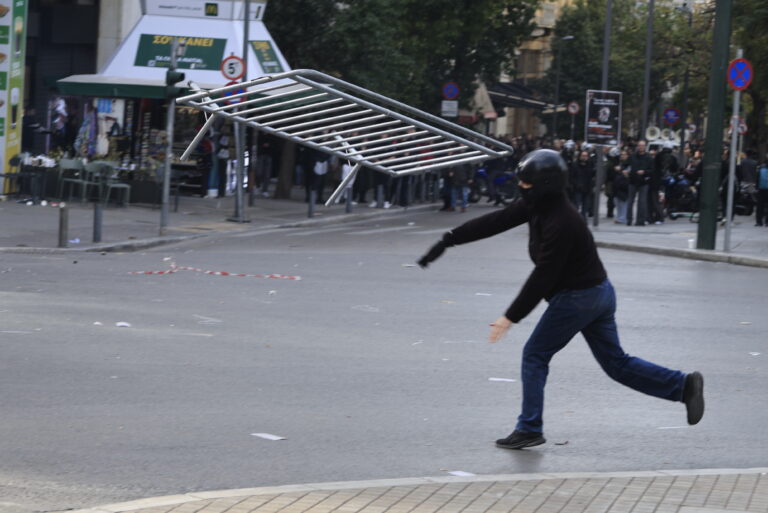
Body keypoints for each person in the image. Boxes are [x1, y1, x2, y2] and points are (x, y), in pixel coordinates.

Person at [417, 149, 704, 449]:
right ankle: (682, 385)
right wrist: (449, 240)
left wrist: (510, 317)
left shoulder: (562, 221)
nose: (521, 187)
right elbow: (495, 221)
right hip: (598, 293)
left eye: (526, 183)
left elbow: (544, 276)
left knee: (535, 355)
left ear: (543, 185)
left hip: (578, 298)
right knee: (616, 364)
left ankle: (529, 427)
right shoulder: (538, 205)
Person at [627, 140, 653, 226]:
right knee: (630, 201)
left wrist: (644, 172)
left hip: (643, 182)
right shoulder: (632, 156)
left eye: (642, 146)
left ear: (645, 147)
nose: (641, 147)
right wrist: (624, 170)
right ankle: (629, 220)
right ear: (637, 146)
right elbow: (626, 164)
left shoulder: (649, 157)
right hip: (633, 181)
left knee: (642, 202)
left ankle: (640, 221)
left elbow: (652, 170)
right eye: (639, 145)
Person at [755, 161, 768, 227]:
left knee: (760, 206)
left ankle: (759, 222)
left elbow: (757, 179)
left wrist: (757, 187)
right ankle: (767, 222)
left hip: (761, 189)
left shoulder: (761, 168)